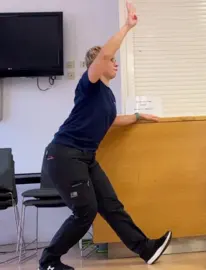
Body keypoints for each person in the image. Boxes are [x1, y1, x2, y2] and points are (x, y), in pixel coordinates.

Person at [38, 3, 172, 270]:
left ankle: (146, 249)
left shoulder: (106, 96)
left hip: (85, 158)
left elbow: (110, 121)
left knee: (111, 205)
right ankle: (49, 261)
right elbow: (105, 54)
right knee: (85, 212)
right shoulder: (90, 85)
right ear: (99, 65)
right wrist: (127, 26)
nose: (115, 63)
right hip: (64, 155)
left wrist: (137, 116)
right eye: (111, 60)